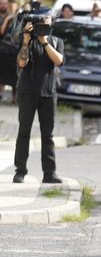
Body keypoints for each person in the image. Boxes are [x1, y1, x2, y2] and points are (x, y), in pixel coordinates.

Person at [12, 10, 65, 184]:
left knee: (47, 135)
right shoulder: (26, 40)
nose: (42, 23)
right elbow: (21, 62)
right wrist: (27, 41)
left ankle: (49, 173)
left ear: (51, 23)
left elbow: (59, 61)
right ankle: (20, 171)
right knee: (24, 132)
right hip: (27, 92)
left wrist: (44, 42)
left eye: (45, 20)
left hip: (48, 93)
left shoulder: (56, 41)